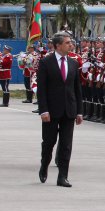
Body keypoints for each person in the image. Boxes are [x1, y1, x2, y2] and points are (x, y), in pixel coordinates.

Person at [37, 32, 83, 188]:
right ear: (58, 45)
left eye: (71, 42)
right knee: (49, 143)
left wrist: (79, 111)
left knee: (66, 145)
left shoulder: (73, 63)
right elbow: (41, 89)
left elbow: (77, 90)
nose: (71, 45)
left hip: (69, 110)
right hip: (51, 111)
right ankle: (44, 165)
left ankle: (63, 176)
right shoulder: (45, 62)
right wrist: (43, 110)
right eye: (68, 42)